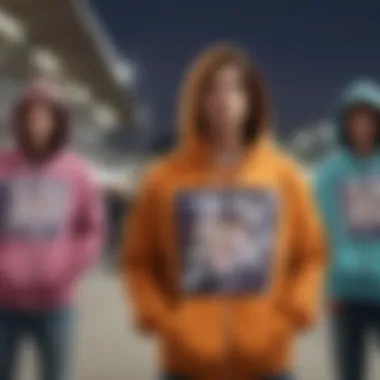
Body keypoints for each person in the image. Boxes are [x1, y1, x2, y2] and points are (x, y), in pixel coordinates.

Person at [122, 43, 326, 380]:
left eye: (235, 88)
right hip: (187, 363)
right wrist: (160, 317)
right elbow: (138, 260)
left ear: (252, 100)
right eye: (212, 89)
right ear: (196, 100)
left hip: (268, 361)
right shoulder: (163, 179)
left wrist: (295, 310)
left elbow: (311, 254)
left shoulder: (283, 176)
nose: (224, 99)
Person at [0, 79, 104, 380]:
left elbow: (91, 228)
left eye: (46, 116)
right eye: (31, 115)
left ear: (58, 121)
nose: (37, 123)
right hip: (4, 301)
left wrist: (70, 268)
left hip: (57, 304)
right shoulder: (3, 168)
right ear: (20, 120)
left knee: (57, 374)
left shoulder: (77, 172)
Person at [314, 80, 380, 380]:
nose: (363, 126)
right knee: (350, 372)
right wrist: (328, 283)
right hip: (345, 290)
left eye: (370, 118)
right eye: (356, 118)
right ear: (345, 122)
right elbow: (321, 232)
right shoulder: (331, 172)